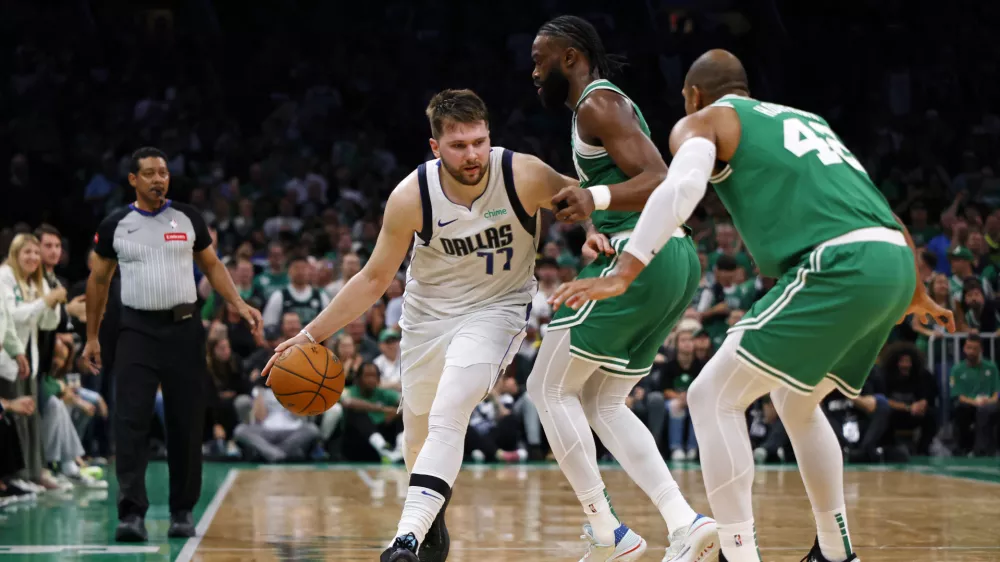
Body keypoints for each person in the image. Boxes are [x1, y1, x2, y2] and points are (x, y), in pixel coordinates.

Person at [549, 49, 955, 562]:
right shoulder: (806, 120)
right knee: (795, 401)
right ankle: (835, 551)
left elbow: (684, 186)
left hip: (838, 261)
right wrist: (915, 288)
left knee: (711, 396)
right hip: (892, 258)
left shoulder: (704, 120)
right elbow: (880, 208)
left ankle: (738, 555)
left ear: (693, 95)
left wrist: (627, 268)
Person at [262, 89, 576, 562]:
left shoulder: (523, 174)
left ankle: (403, 538)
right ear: (435, 147)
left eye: (479, 141)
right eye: (458, 145)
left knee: (452, 406)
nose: (472, 155)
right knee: (418, 432)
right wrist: (309, 335)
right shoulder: (411, 196)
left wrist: (595, 236)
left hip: (497, 310)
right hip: (428, 318)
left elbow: (584, 201)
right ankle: (431, 520)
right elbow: (372, 278)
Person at [527, 15, 717, 562]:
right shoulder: (594, 108)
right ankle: (684, 522)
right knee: (602, 402)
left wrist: (598, 202)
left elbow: (665, 177)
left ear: (570, 57)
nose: (533, 70)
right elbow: (617, 186)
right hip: (668, 258)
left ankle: (608, 532)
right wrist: (593, 227)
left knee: (546, 390)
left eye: (541, 59)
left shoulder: (597, 103)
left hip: (646, 257)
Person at [82, 147, 262, 542]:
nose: (158, 179)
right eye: (148, 173)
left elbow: (212, 266)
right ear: (133, 179)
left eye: (163, 172)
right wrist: (92, 336)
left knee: (186, 421)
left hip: (184, 331)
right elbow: (98, 282)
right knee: (130, 422)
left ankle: (182, 511)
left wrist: (238, 303)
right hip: (135, 332)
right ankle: (131, 514)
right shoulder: (116, 224)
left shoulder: (188, 217)